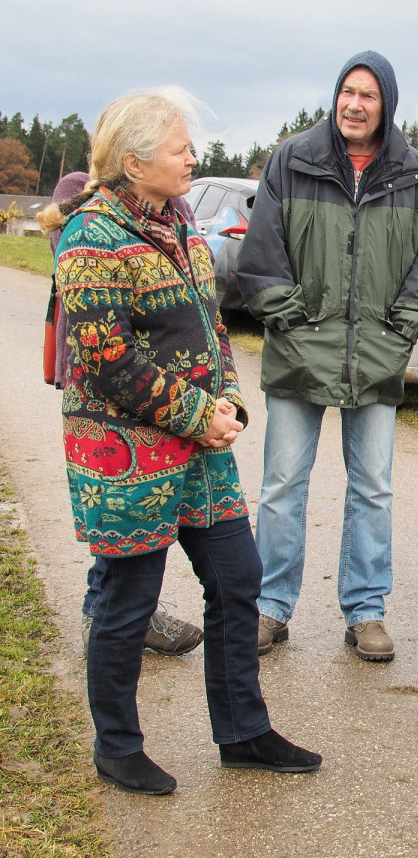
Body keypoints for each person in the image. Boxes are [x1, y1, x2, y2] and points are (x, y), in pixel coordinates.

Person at [41, 88, 320, 796]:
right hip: (126, 454)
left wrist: (224, 394)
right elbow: (105, 357)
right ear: (134, 162)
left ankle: (243, 731)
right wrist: (201, 412)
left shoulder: (182, 221)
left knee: (238, 577)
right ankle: (118, 745)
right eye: (179, 148)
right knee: (128, 599)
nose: (192, 157)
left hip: (199, 447)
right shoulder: (92, 236)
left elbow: (211, 323)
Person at [237, 51, 418, 661]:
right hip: (298, 353)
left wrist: (400, 332)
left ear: (387, 106)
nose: (355, 104)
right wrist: (293, 325)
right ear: (336, 96)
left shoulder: (414, 174)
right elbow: (261, 259)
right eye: (348, 92)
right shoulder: (292, 159)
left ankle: (366, 611)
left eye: (368, 96)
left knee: (374, 488)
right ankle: (269, 607)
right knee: (281, 485)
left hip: (376, 359)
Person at [49, 170, 206, 657]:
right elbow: (88, 298)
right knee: (121, 520)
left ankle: (128, 614)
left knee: (145, 523)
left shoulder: (173, 206)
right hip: (107, 385)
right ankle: (108, 620)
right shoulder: (81, 197)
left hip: (166, 386)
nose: (190, 159)